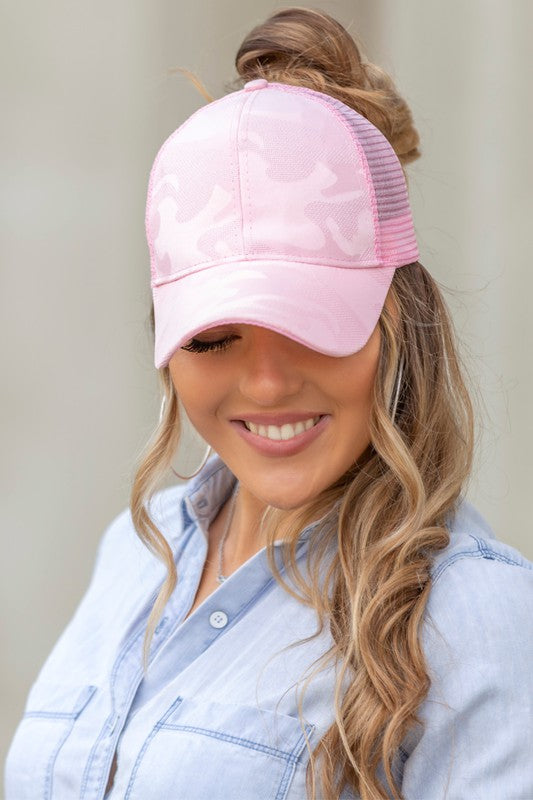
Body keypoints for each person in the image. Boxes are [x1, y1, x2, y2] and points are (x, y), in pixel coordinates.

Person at [5, 7, 533, 800]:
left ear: (395, 319)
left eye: (311, 325)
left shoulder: (475, 616)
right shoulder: (133, 553)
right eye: (214, 339)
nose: (264, 384)